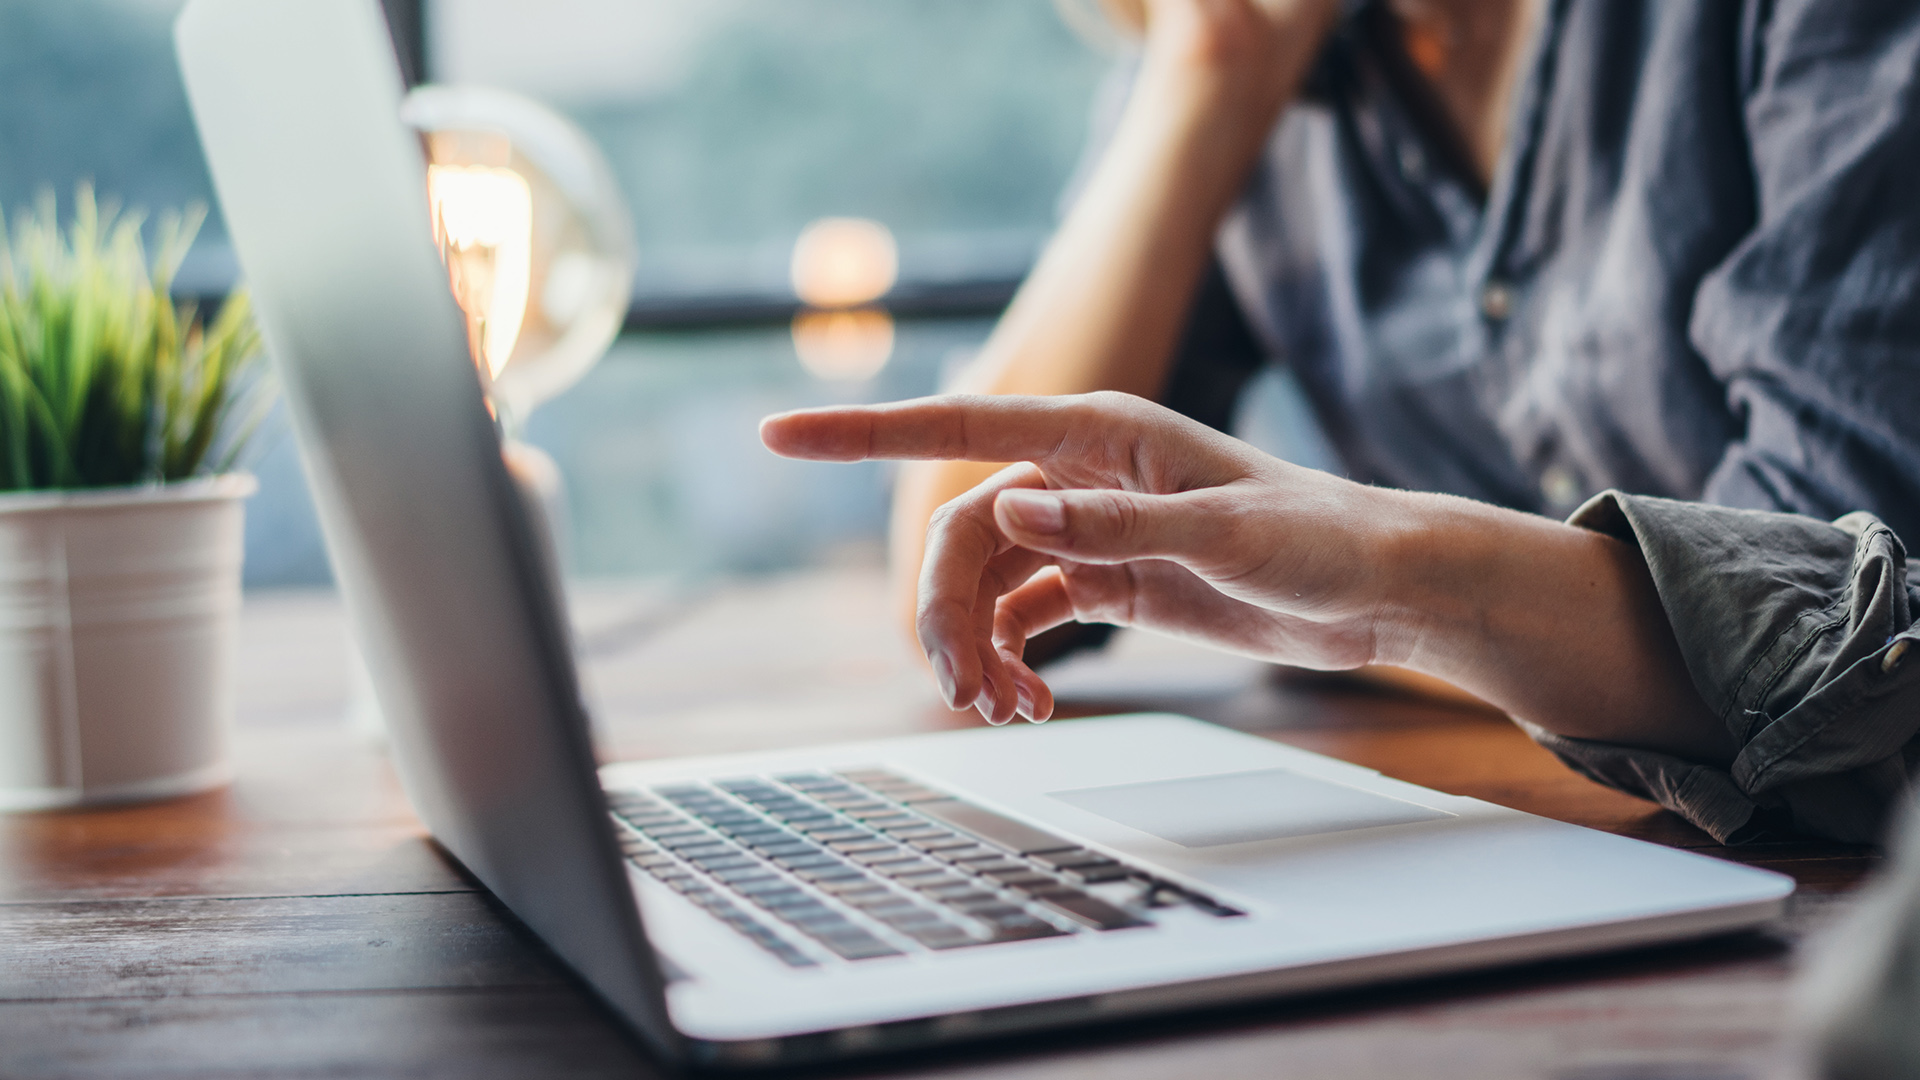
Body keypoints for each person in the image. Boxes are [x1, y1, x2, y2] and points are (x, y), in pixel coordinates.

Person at [891, 0, 1920, 667]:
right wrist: (1207, 62)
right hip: (1526, 826)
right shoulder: (1265, 58)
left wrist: (1400, 594)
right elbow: (970, 587)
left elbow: (1843, 611)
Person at [764, 392, 1920, 846]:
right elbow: (966, 536)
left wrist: (1411, 589)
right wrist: (1208, 80)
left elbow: (1862, 627)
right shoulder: (1307, 108)